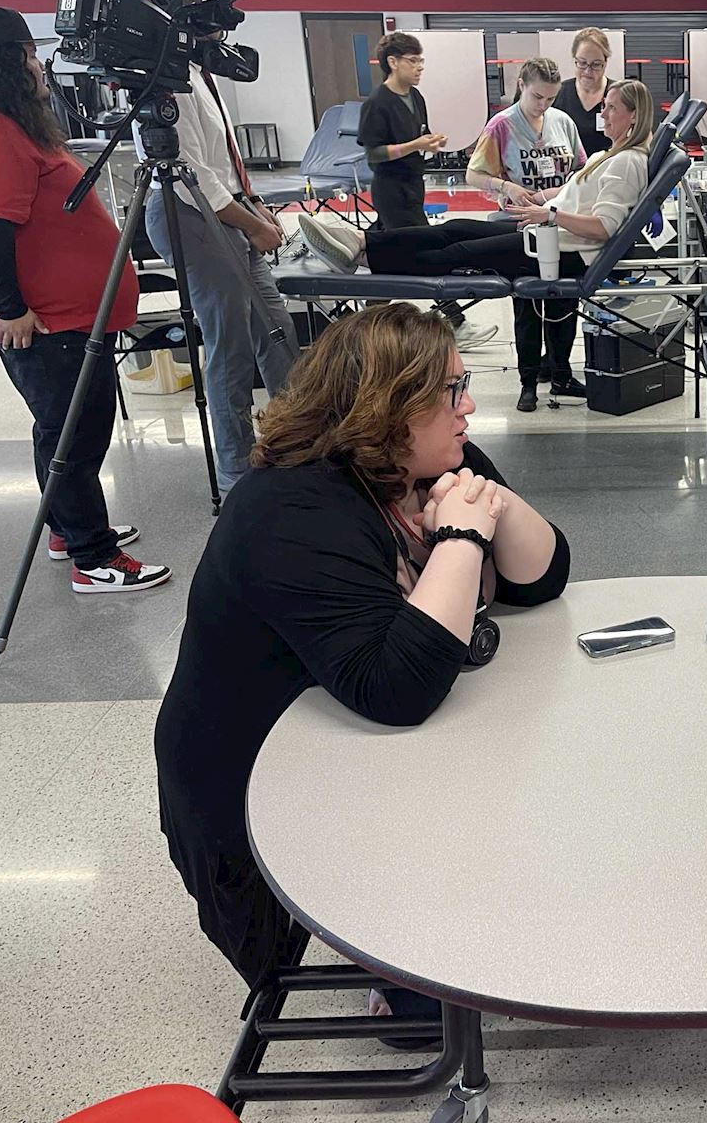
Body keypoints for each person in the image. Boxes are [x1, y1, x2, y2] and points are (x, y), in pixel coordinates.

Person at [155, 302, 570, 992]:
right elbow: (397, 689)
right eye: (450, 391)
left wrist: (485, 500)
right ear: (389, 406)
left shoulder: (426, 460)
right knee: (408, 1013)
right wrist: (463, 539)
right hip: (254, 795)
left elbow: (542, 577)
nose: (468, 407)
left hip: (356, 754)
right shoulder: (291, 509)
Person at [0, 5, 171, 594]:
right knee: (74, 434)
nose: (41, 66)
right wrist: (11, 308)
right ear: (9, 63)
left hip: (67, 316)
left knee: (62, 430)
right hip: (45, 322)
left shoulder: (7, 128)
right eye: (31, 55)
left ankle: (69, 527)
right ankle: (94, 557)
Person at [296, 78, 656, 412]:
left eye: (610, 107)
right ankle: (361, 242)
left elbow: (605, 228)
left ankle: (364, 258)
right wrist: (536, 203)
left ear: (633, 115)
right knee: (456, 227)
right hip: (547, 236)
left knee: (457, 255)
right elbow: (573, 197)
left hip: (562, 251)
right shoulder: (607, 155)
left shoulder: (626, 163)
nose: (602, 113)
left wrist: (548, 217)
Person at [140, 0, 298, 496]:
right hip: (192, 217)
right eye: (211, 19)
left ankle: (298, 442)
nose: (220, 32)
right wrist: (250, 223)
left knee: (277, 333)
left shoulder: (199, 71)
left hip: (228, 211)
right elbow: (194, 175)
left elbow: (220, 163)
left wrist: (254, 207)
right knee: (229, 346)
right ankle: (235, 472)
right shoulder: (164, 77)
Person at [467, 57, 588, 402]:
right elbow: (473, 175)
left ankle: (561, 373)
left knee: (564, 300)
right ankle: (529, 381)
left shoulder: (562, 122)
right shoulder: (502, 126)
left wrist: (551, 195)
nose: (543, 105)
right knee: (528, 303)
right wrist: (506, 188)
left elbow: (580, 173)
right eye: (538, 97)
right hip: (520, 226)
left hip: (557, 221)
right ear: (521, 85)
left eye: (550, 98)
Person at [357, 31, 447, 229]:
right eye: (413, 61)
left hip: (414, 183)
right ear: (393, 62)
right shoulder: (377, 103)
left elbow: (421, 133)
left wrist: (433, 142)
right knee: (414, 241)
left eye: (421, 60)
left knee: (394, 240)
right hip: (391, 187)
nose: (420, 67)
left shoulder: (416, 97)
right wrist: (415, 145)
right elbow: (374, 153)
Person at [555, 26, 614, 159]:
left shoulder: (618, 94)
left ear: (605, 63)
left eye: (596, 64)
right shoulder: (558, 94)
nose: (588, 71)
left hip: (607, 171)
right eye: (582, 63)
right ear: (574, 60)